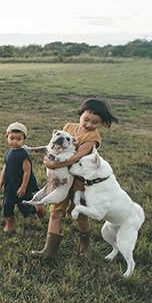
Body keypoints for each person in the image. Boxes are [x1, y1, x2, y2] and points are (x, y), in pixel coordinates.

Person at [31, 99, 119, 257]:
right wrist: (48, 158)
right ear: (81, 113)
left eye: (95, 122)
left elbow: (75, 157)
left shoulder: (93, 138)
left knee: (80, 215)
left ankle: (84, 243)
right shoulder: (68, 127)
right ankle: (49, 250)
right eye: (86, 119)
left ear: (100, 123)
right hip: (61, 179)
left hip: (80, 181)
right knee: (56, 211)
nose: (89, 124)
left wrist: (52, 165)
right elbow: (54, 147)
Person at [0, 122, 44, 233]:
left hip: (22, 185)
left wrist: (23, 187)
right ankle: (9, 224)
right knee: (7, 204)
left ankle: (36, 208)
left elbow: (27, 172)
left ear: (23, 139)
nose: (15, 142)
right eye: (12, 138)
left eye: (18, 139)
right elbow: (5, 169)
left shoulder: (23, 155)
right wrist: (0, 183)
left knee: (24, 207)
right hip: (10, 185)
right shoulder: (8, 153)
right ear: (7, 137)